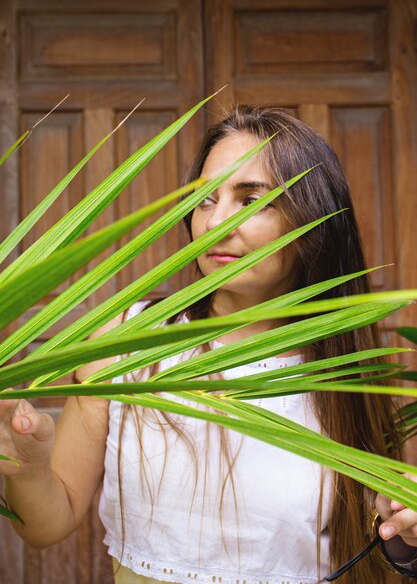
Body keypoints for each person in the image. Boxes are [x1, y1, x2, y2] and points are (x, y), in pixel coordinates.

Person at [1, 105, 417, 584]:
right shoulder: (129, 343)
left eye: (250, 200)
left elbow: (376, 536)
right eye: (204, 199)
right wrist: (28, 467)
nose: (217, 222)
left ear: (313, 220)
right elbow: (48, 522)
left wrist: (404, 535)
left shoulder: (347, 368)